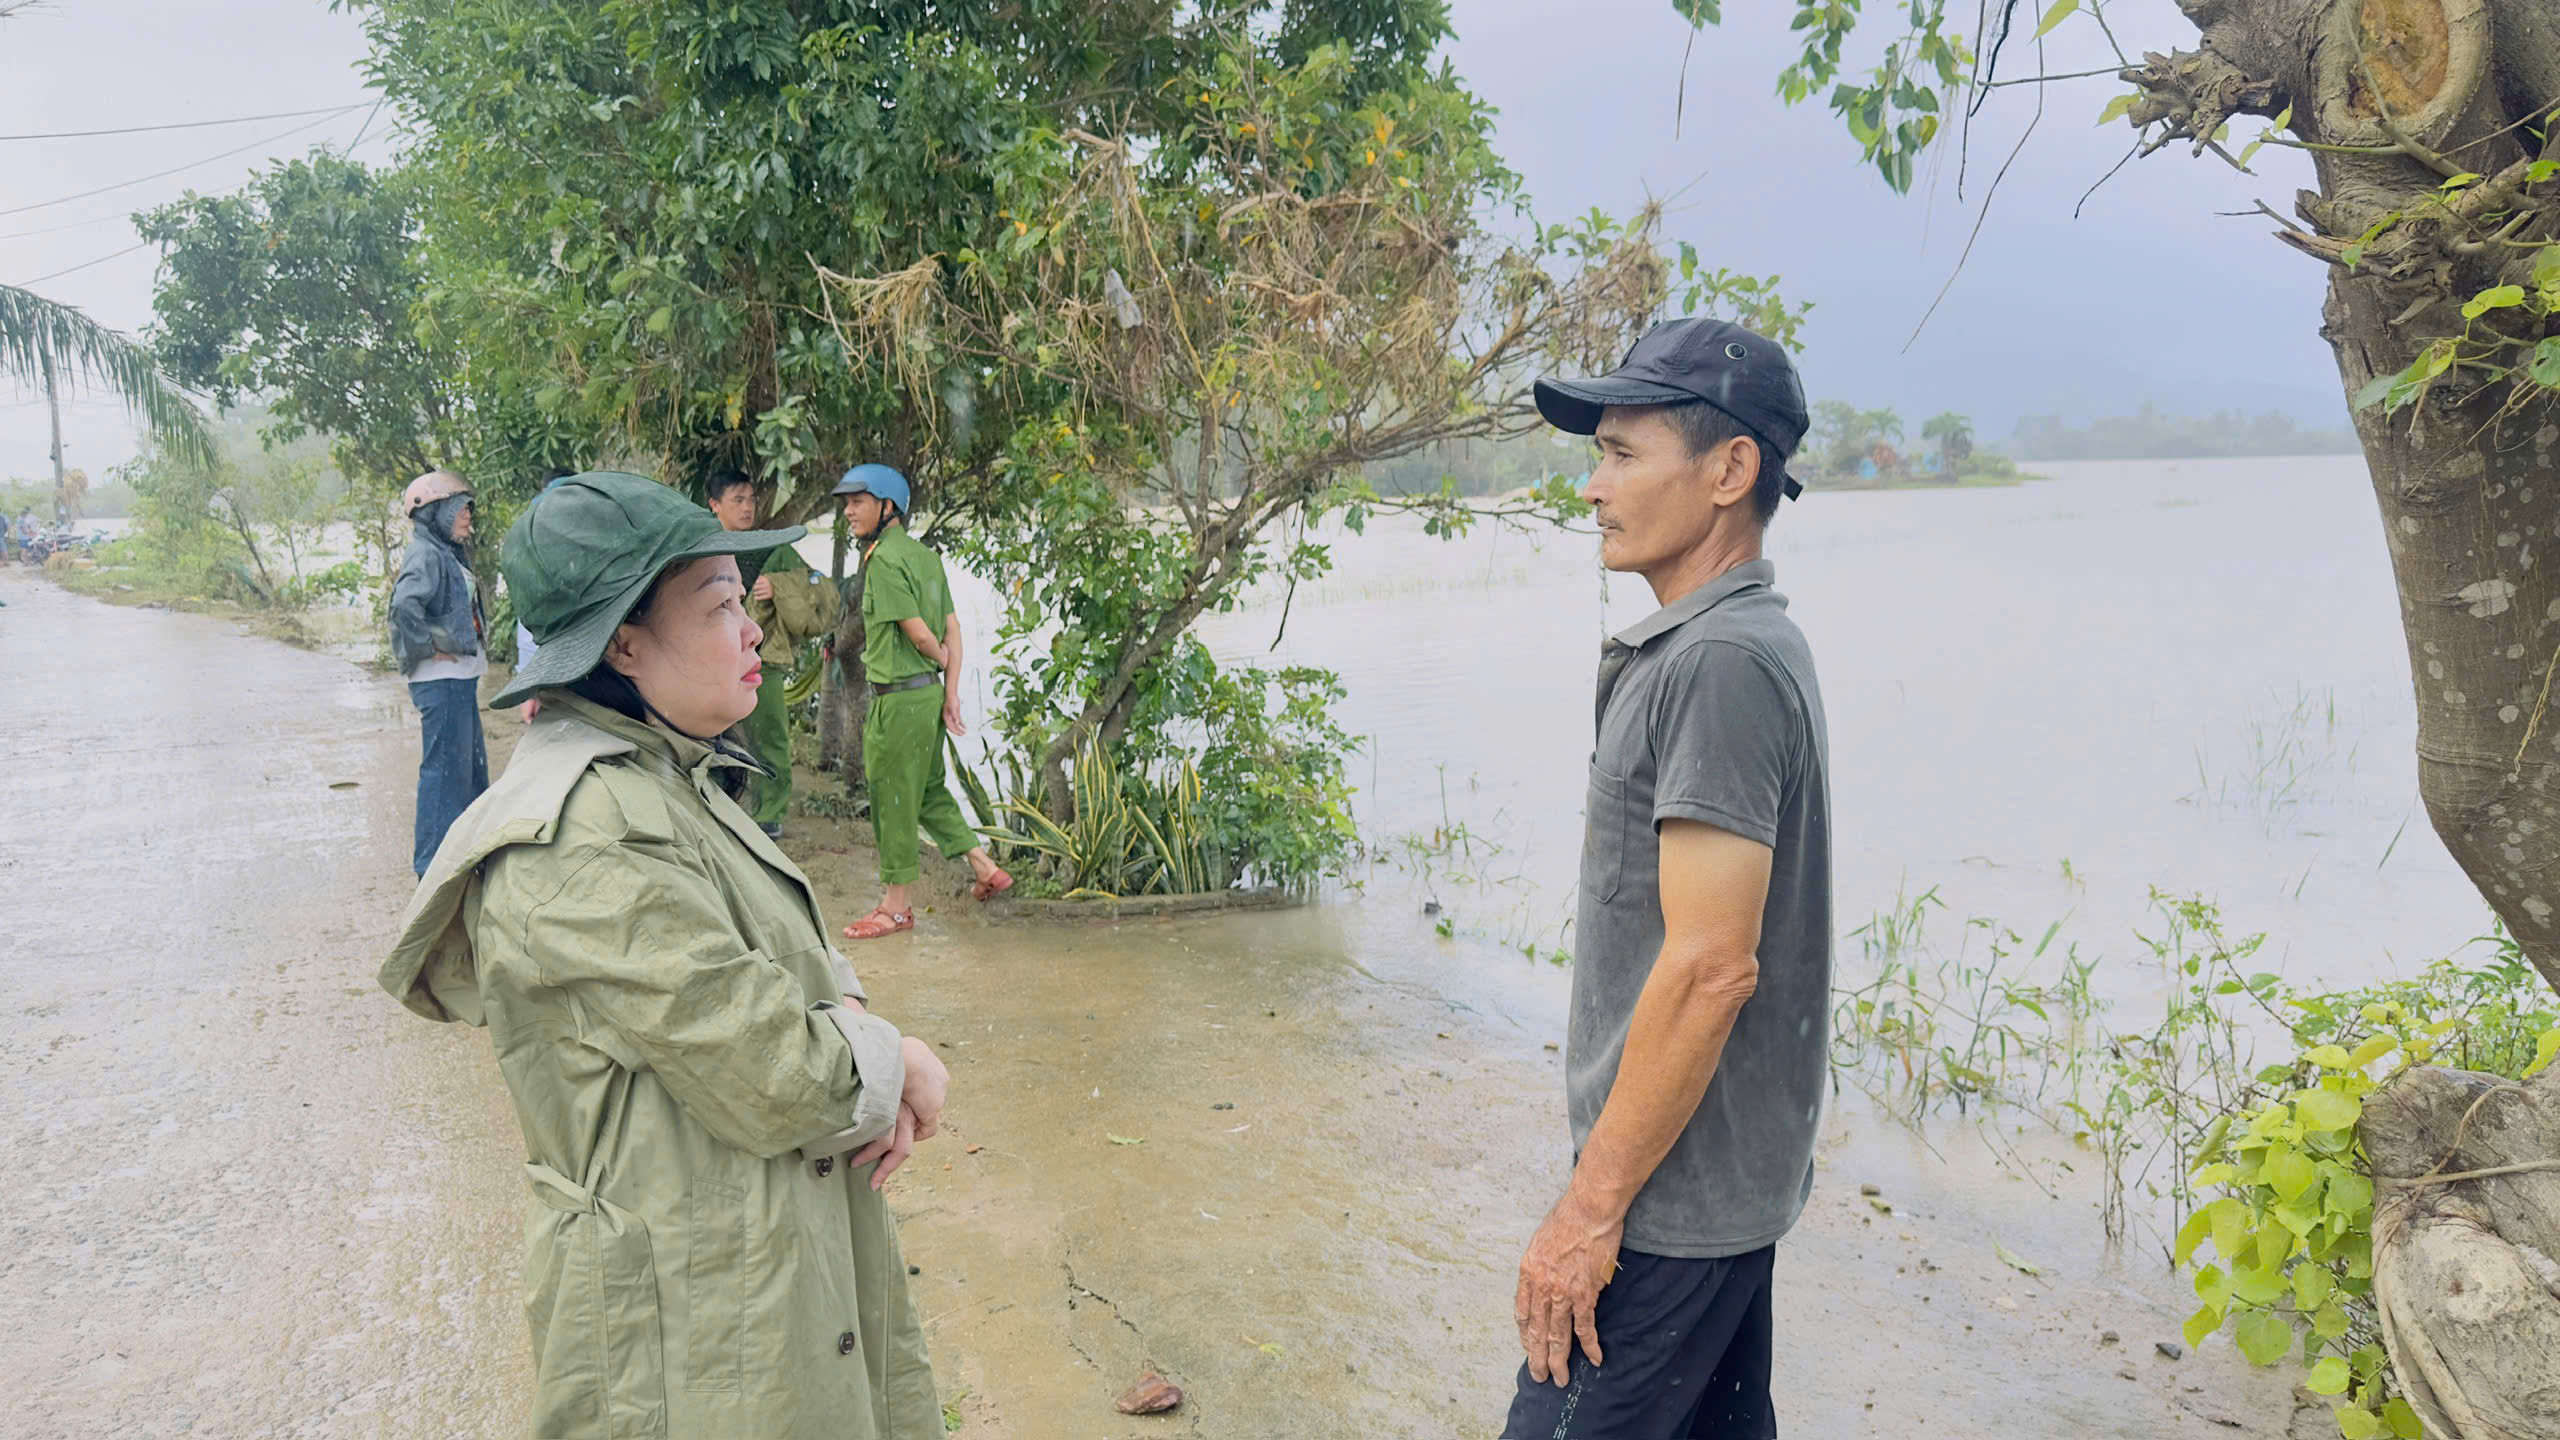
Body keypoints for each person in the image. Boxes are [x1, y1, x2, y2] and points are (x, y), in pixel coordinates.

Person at [379, 470, 947, 1438]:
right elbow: (770, 1067)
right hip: (690, 1329)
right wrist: (900, 1064)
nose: (753, 629)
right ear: (624, 644)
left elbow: (771, 951)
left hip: (745, 1268)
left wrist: (856, 1035)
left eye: (745, 601)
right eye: (723, 604)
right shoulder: (582, 834)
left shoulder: (664, 769)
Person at [1504, 318, 1831, 1440]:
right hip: (1713, 1187)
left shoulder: (1719, 663)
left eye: (1623, 454)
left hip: (1668, 1209)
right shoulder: (1712, 646)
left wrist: (1587, 1216)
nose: (1593, 488)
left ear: (1730, 470)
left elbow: (1707, 969)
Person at [833, 464, 1009, 940]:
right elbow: (953, 625)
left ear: (888, 507)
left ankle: (896, 908)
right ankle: (985, 867)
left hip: (899, 699)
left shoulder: (885, 560)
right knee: (928, 791)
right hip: (927, 694)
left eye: (858, 502)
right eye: (846, 502)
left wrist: (938, 655)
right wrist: (949, 691)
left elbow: (923, 632)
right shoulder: (925, 558)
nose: (848, 511)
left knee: (892, 797)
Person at [708, 468, 838, 839]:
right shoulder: (704, 548)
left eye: (751, 499)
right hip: (713, 658)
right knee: (712, 732)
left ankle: (770, 813)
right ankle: (717, 802)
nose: (748, 508)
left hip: (764, 658)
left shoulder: (773, 548)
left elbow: (818, 585)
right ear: (714, 505)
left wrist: (780, 585)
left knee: (769, 736)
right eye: (738, 500)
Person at [388, 470, 490, 877]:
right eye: (460, 508)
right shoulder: (426, 555)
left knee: (467, 771)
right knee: (444, 773)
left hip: (457, 679)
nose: (468, 516)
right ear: (435, 513)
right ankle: (431, 868)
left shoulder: (446, 552)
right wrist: (431, 646)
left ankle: (465, 859)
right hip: (440, 681)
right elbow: (403, 607)